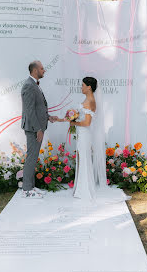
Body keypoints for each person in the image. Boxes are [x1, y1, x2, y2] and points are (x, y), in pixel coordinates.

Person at [57, 77, 131, 203]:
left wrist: (73, 123)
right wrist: (64, 119)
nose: (81, 87)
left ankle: (84, 189)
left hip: (85, 134)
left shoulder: (90, 101)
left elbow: (86, 123)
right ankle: (80, 188)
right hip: (82, 134)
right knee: (82, 158)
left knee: (84, 159)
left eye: (83, 85)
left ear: (89, 87)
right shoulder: (87, 100)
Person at [21, 60, 57, 198]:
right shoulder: (29, 86)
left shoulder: (34, 84)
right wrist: (38, 129)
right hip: (33, 128)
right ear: (35, 70)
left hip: (37, 126)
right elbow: (29, 111)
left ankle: (31, 187)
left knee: (33, 157)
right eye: (42, 68)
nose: (44, 70)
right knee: (31, 157)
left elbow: (38, 108)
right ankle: (26, 190)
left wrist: (48, 117)